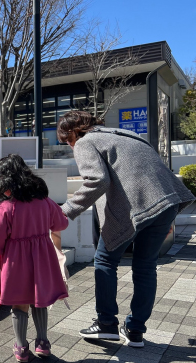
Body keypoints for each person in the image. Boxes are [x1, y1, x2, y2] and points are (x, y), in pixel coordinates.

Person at [58, 111, 194, 347]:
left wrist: (64, 211)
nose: (70, 147)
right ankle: (135, 330)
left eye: (67, 141)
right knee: (145, 267)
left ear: (73, 133)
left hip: (133, 206)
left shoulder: (85, 141)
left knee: (104, 260)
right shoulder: (127, 133)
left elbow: (97, 180)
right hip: (166, 202)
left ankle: (106, 324)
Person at [0, 154, 69, 362]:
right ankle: (43, 343)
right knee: (39, 301)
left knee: (19, 303)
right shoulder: (45, 202)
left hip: (16, 260)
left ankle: (21, 347)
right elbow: (61, 224)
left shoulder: (6, 207)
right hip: (43, 256)